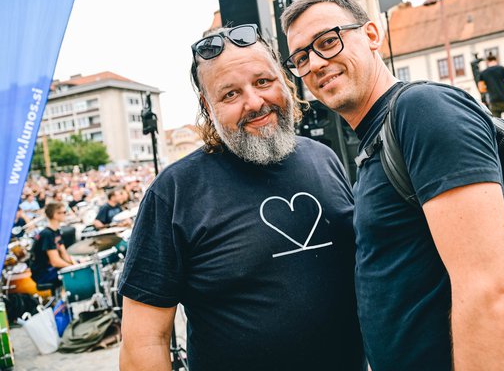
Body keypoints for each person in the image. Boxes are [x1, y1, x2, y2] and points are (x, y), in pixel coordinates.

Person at [282, 0, 504, 370]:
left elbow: (491, 291)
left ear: (372, 35)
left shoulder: (421, 109)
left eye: (328, 41)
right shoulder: (379, 137)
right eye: (302, 58)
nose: (316, 63)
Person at [118, 24, 364, 370]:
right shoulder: (173, 193)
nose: (255, 102)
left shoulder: (324, 159)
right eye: (230, 94)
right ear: (208, 106)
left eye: (263, 81)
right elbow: (143, 340)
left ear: (284, 80)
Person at [30, 202, 75, 288]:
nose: (66, 214)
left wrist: (75, 263)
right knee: (76, 275)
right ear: (55, 215)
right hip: (43, 273)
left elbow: (64, 253)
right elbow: (55, 261)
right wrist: (72, 267)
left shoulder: (56, 231)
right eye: (64, 212)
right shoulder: (47, 234)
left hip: (51, 269)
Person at [478, 54, 504, 120]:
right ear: (496, 60)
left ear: (487, 62)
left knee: (497, 124)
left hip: (493, 101)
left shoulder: (483, 73)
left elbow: (482, 89)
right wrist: (502, 81)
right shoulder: (501, 68)